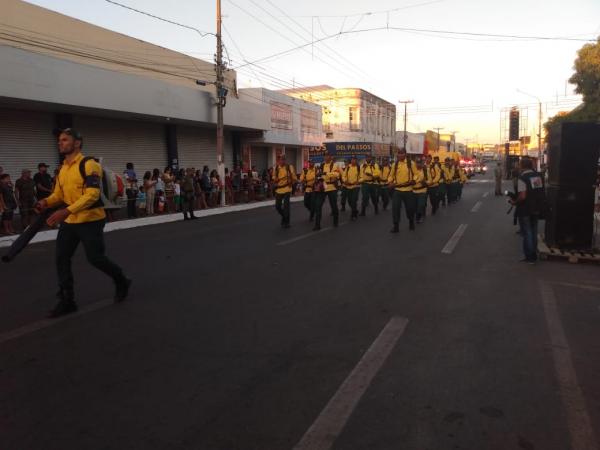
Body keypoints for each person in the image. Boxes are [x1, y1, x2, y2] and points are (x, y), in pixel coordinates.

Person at [35, 128, 131, 317]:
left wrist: (65, 211)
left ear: (77, 143)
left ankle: (121, 279)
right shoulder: (62, 168)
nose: (60, 142)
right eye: (59, 140)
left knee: (95, 258)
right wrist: (45, 202)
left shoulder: (89, 165)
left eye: (64, 139)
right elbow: (58, 195)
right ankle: (67, 300)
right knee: (61, 258)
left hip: (90, 220)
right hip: (70, 221)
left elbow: (92, 195)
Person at [512, 157, 546, 264]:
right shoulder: (538, 176)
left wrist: (514, 202)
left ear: (522, 166)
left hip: (525, 209)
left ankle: (530, 257)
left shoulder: (522, 177)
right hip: (536, 208)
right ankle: (533, 256)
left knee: (527, 233)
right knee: (533, 231)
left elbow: (522, 196)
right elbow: (536, 191)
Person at [388, 148, 417, 232]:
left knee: (410, 209)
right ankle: (396, 226)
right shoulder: (395, 164)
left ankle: (411, 221)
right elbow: (391, 175)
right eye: (399, 153)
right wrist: (390, 182)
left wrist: (414, 180)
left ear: (405, 154)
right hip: (397, 190)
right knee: (395, 208)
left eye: (402, 153)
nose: (400, 155)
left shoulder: (411, 163)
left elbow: (416, 174)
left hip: (408, 190)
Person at [313, 154, 340, 231]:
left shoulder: (335, 165)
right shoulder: (322, 165)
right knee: (318, 206)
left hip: (332, 187)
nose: (326, 157)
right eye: (325, 156)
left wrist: (326, 173)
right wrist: (318, 176)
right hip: (323, 187)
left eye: (328, 155)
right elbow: (319, 175)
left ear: (331, 157)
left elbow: (337, 174)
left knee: (333, 205)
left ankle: (335, 221)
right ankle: (317, 225)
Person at [272, 155, 296, 228]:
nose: (282, 161)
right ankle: (284, 217)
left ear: (285, 160)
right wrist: (275, 179)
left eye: (283, 160)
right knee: (277, 206)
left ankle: (287, 222)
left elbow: (294, 177)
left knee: (286, 206)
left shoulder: (289, 167)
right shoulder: (276, 168)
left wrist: (291, 181)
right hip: (279, 189)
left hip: (287, 189)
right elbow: (273, 177)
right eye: (280, 160)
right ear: (278, 161)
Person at [342, 156, 361, 220]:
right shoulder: (348, 167)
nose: (353, 161)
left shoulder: (359, 168)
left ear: (356, 160)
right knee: (349, 201)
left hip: (356, 187)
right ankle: (355, 210)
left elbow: (362, 177)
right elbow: (343, 176)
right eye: (352, 159)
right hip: (348, 186)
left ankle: (353, 215)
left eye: (354, 159)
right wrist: (345, 181)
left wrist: (359, 181)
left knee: (354, 200)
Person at [413, 159, 428, 224]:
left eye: (420, 163)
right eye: (417, 163)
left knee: (420, 205)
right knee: (415, 206)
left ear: (422, 164)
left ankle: (419, 217)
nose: (418, 164)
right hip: (413, 191)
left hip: (422, 191)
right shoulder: (412, 171)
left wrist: (425, 182)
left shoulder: (425, 171)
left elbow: (429, 180)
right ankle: (418, 216)